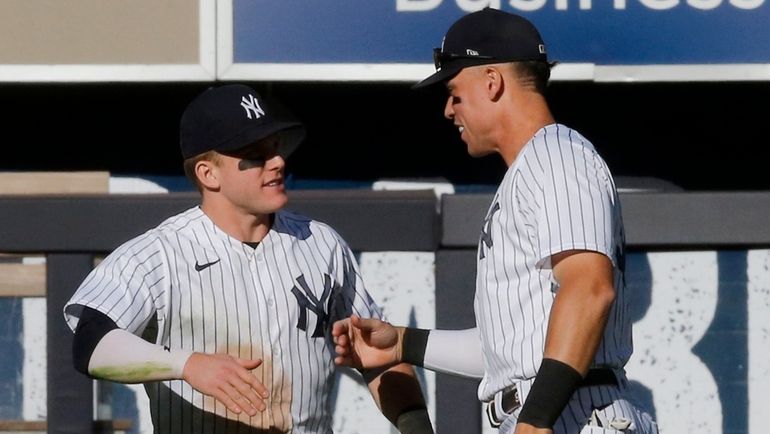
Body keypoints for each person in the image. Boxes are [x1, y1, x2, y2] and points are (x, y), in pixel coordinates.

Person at [332, 8, 658, 434]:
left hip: (573, 415)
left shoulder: (556, 156)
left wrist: (536, 421)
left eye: (454, 92)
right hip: (553, 409)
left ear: (492, 82)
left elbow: (590, 287)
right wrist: (403, 344)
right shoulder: (532, 169)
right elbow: (509, 352)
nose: (449, 110)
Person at [63, 84, 433, 434]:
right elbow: (90, 344)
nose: (277, 162)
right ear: (208, 174)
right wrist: (186, 365)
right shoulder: (158, 254)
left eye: (276, 147)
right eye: (255, 154)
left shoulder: (321, 243)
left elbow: (379, 354)